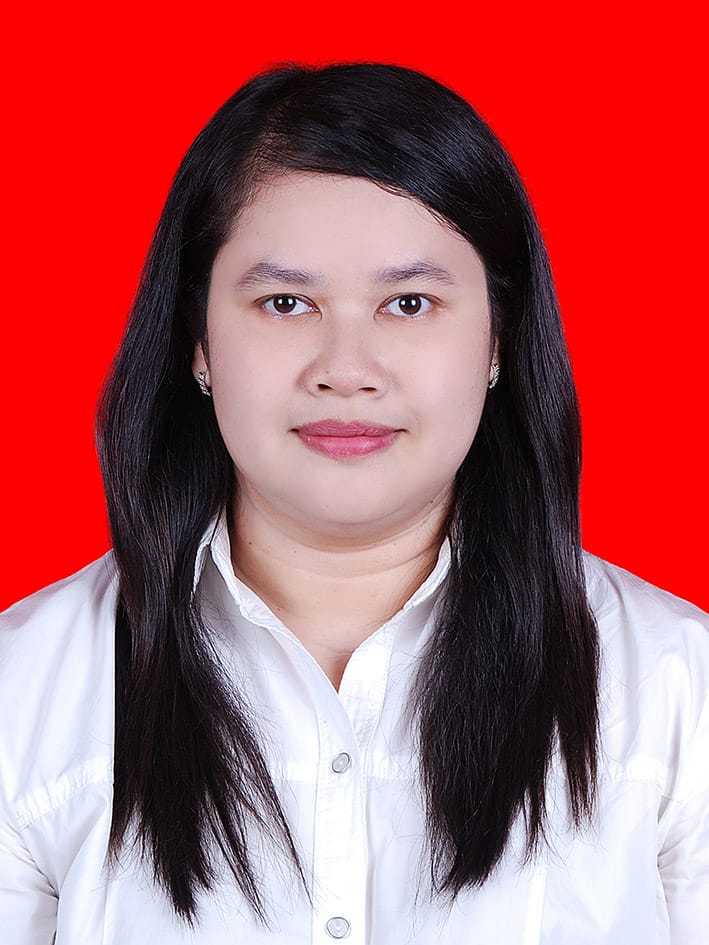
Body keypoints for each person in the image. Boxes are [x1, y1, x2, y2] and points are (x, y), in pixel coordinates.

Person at [0, 62, 707, 945]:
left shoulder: (674, 690)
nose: (345, 368)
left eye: (408, 303)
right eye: (284, 302)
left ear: (497, 338)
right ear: (198, 341)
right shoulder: (24, 690)